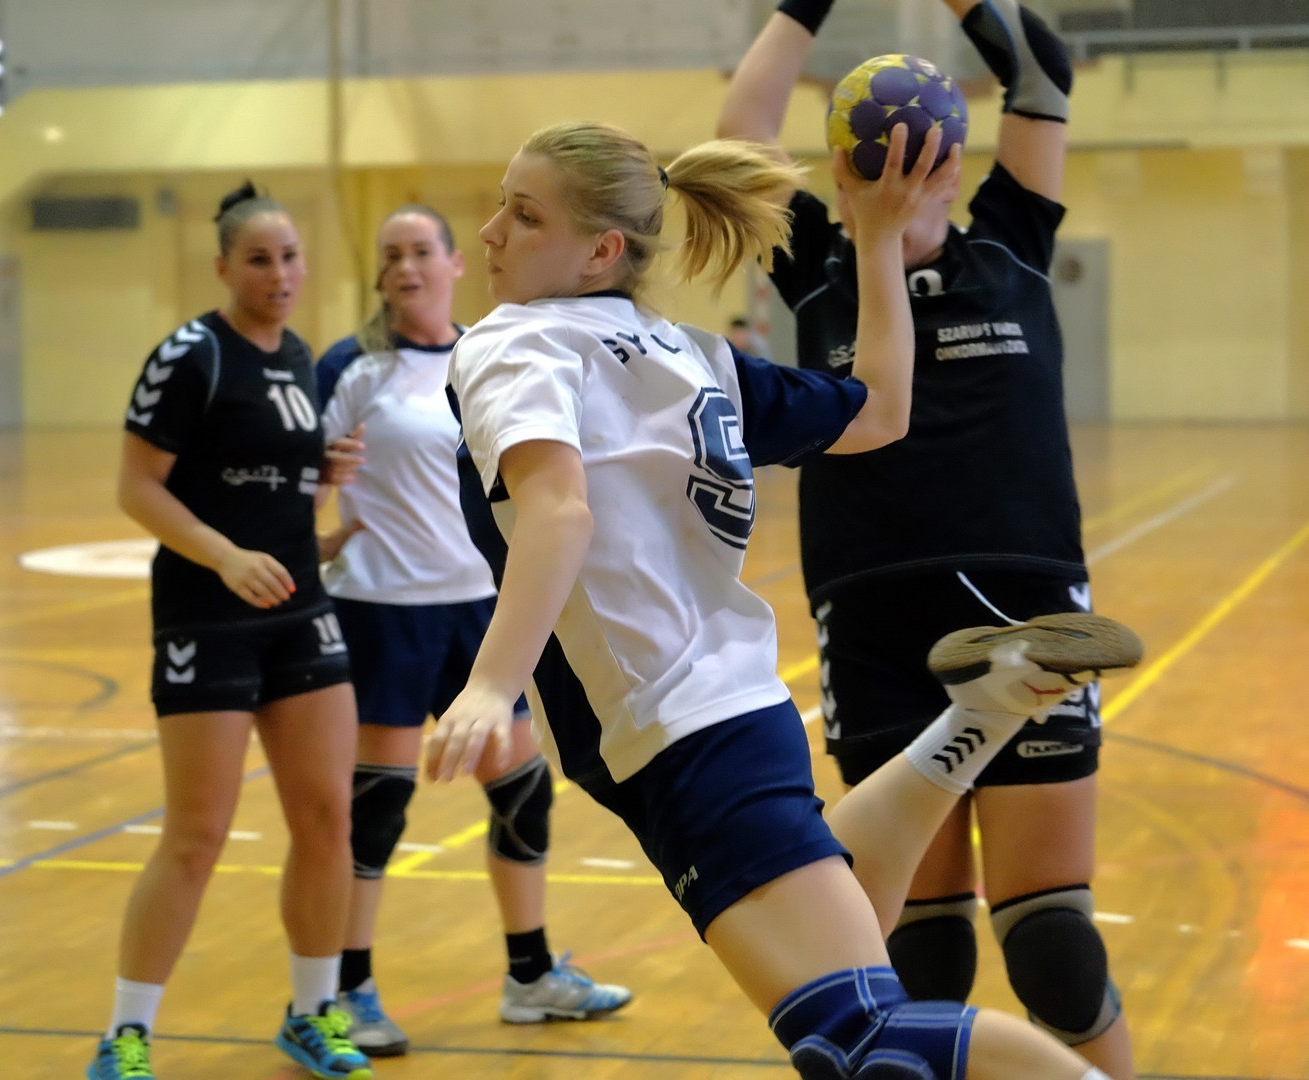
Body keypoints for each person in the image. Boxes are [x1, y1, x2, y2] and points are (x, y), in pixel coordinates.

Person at [427, 117, 1141, 1079]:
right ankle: (981, 713)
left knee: (858, 1041)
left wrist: (488, 685)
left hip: (675, 732)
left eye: (524, 214)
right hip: (733, 709)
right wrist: (875, 242)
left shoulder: (516, 342)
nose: (490, 233)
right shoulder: (691, 353)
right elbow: (880, 410)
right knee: (849, 951)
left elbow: (558, 512)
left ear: (601, 251)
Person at [718, 2, 1134, 1074]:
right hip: (873, 619)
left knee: (1054, 947)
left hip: (1024, 604)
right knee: (922, 954)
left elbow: (1039, 66)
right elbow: (739, 129)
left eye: (930, 154)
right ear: (843, 169)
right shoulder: (819, 264)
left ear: (955, 163)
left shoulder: (1012, 238)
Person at [313, 204, 631, 1057]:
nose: (406, 266)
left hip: (480, 609)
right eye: (391, 254)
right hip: (383, 611)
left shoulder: (486, 353)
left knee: (522, 792)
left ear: (454, 263)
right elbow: (298, 482)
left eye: (421, 250)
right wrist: (319, 515)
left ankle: (530, 976)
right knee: (377, 807)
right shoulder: (351, 367)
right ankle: (348, 989)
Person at [86, 182, 372, 1080]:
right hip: (207, 616)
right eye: (258, 259)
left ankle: (312, 1013)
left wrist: (321, 487)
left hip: (300, 610)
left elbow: (264, 482)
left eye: (290, 257)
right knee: (197, 834)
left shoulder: (299, 357)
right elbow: (137, 488)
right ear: (222, 267)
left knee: (327, 819)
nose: (279, 274)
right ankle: (126, 1034)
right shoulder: (191, 355)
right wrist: (224, 556)